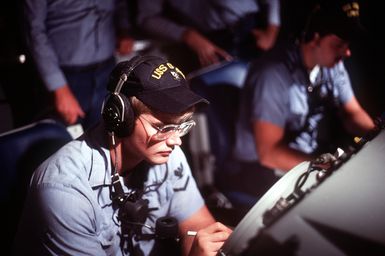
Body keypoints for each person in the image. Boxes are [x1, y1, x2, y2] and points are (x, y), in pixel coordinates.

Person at [13, 55, 232, 256]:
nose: (176, 140)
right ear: (121, 118)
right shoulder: (64, 191)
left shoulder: (167, 153)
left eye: (182, 126)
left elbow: (196, 227)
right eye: (162, 127)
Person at [217, 0, 375, 208]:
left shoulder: (331, 65)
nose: (346, 53)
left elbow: (351, 113)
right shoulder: (272, 75)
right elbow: (269, 153)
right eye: (339, 45)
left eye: (347, 45)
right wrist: (331, 167)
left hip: (306, 158)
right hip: (259, 169)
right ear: (314, 38)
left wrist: (377, 136)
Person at [23, 0, 134, 130]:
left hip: (107, 69)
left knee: (105, 134)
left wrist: (124, 29)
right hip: (66, 76)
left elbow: (120, 5)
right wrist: (59, 89)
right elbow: (34, 32)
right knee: (63, 138)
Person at [136, 0, 280, 73]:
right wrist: (186, 35)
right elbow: (146, 19)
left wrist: (273, 27)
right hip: (210, 42)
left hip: (254, 30)